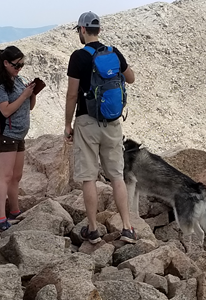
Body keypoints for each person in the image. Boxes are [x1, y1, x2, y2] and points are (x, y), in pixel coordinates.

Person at [64, 11, 137, 244]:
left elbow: (72, 94)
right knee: (116, 175)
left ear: (82, 30)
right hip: (113, 122)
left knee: (89, 178)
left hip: (86, 121)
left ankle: (93, 229)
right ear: (99, 30)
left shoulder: (78, 57)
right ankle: (127, 228)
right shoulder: (114, 53)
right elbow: (131, 78)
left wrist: (67, 123)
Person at [0, 45, 37, 232]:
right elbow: (5, 110)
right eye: (17, 65)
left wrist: (31, 93)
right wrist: (24, 94)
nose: (20, 68)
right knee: (5, 177)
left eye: (22, 64)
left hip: (18, 135)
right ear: (6, 63)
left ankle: (14, 211)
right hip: (5, 135)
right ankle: (0, 218)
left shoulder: (17, 80)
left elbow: (29, 107)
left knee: (16, 176)